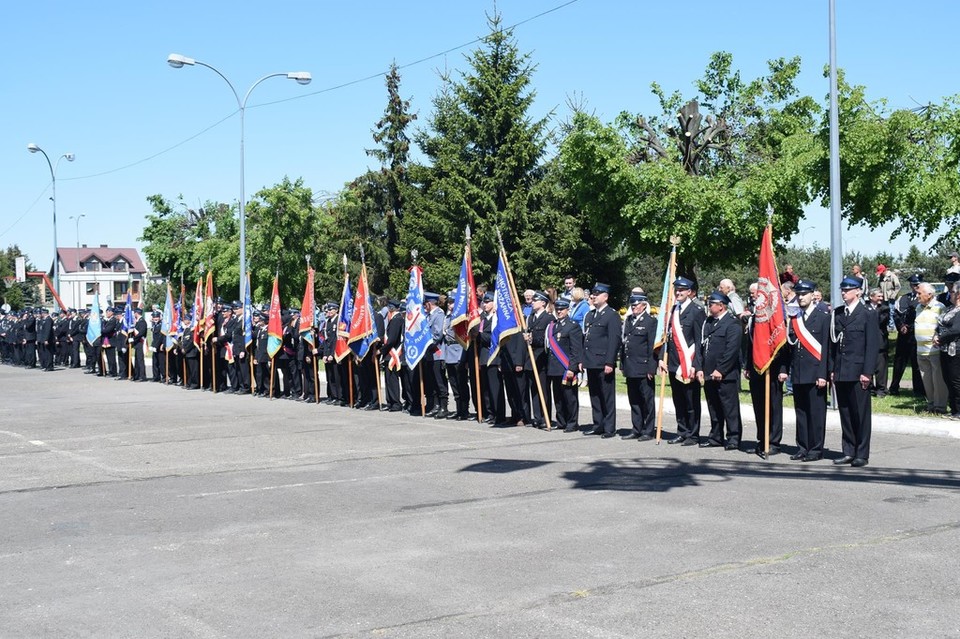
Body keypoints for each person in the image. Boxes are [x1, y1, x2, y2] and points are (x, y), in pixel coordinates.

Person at [830, 276, 880, 467]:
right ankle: (848, 450)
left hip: (859, 371)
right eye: (842, 290)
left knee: (860, 414)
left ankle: (862, 453)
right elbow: (834, 345)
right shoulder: (839, 313)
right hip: (842, 370)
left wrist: (867, 372)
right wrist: (833, 369)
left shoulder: (867, 313)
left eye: (848, 290)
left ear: (858, 291)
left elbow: (872, 345)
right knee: (846, 413)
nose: (844, 293)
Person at [784, 280, 830, 461]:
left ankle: (816, 449)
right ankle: (802, 446)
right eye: (799, 294)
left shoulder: (823, 317)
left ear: (813, 295)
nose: (801, 297)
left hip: (815, 373)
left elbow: (826, 349)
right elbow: (791, 349)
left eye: (804, 294)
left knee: (816, 413)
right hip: (798, 373)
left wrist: (823, 374)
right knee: (801, 412)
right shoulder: (795, 320)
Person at [660, 277, 705, 445]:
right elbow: (667, 336)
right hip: (673, 362)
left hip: (689, 363)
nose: (678, 293)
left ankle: (693, 434)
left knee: (691, 401)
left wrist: (696, 365)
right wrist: (661, 358)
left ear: (689, 292)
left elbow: (699, 340)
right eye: (676, 290)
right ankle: (682, 430)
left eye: (682, 290)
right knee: (678, 400)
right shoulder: (673, 310)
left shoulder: (697, 311)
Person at [698, 291, 743, 450]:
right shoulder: (709, 322)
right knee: (714, 407)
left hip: (726, 375)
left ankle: (733, 438)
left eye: (712, 304)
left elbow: (731, 350)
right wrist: (700, 368)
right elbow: (702, 346)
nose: (709, 307)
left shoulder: (732, 324)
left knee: (729, 408)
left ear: (721, 306)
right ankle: (716, 437)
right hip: (709, 372)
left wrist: (721, 370)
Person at [582, 282, 621, 438]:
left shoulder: (612, 315)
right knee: (595, 395)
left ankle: (609, 428)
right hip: (591, 361)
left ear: (605, 297)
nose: (593, 296)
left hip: (604, 362)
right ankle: (598, 424)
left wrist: (610, 362)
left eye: (597, 294)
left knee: (607, 396)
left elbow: (614, 340)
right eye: (593, 294)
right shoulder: (591, 315)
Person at [619, 293, 657, 441]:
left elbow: (652, 347)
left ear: (644, 305)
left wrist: (651, 368)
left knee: (647, 401)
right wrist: (622, 364)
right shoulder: (628, 320)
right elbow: (624, 344)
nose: (634, 307)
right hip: (630, 366)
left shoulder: (650, 322)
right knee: (634, 400)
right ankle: (636, 428)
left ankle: (648, 430)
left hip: (643, 367)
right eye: (632, 305)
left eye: (637, 305)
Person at [545, 297, 582, 432]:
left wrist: (572, 368)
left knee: (569, 397)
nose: (559, 311)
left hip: (566, 367)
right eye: (557, 309)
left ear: (568, 310)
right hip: (554, 368)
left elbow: (576, 350)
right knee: (558, 397)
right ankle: (561, 421)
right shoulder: (553, 325)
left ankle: (572, 423)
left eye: (562, 309)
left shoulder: (573, 326)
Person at [914, 282, 948, 413]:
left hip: (934, 350)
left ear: (929, 295)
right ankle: (931, 405)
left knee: (938, 380)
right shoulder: (918, 307)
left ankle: (940, 407)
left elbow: (944, 327)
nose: (917, 296)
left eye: (919, 293)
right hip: (920, 350)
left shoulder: (940, 307)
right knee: (926, 380)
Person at [890, 275, 924, 397]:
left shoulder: (923, 299)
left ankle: (919, 390)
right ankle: (894, 387)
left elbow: (921, 318)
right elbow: (896, 314)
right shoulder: (903, 298)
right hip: (903, 336)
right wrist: (900, 326)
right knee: (899, 362)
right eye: (913, 285)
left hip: (915, 336)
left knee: (916, 364)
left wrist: (909, 327)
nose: (915, 287)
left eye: (917, 285)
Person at [524, 290, 554, 428]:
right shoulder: (530, 318)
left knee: (543, 389)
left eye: (536, 300)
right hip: (531, 357)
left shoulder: (548, 319)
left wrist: (532, 339)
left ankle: (544, 416)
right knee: (534, 389)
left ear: (543, 303)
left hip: (542, 358)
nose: (533, 302)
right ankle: (537, 417)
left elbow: (548, 340)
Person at [934, 281, 960, 419]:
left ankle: (958, 410)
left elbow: (956, 329)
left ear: (958, 294)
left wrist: (941, 337)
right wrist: (936, 335)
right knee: (948, 379)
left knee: (956, 380)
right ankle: (954, 409)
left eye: (952, 291)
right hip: (945, 349)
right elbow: (940, 324)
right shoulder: (950, 309)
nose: (949, 293)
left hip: (956, 350)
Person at [866, 288, 890, 397]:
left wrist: (871, 313)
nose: (881, 298)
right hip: (866, 341)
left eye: (881, 296)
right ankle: (869, 388)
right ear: (871, 297)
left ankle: (881, 389)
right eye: (878, 296)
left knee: (881, 367)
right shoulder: (864, 307)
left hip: (880, 341)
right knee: (868, 365)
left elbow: (880, 321)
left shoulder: (884, 308)